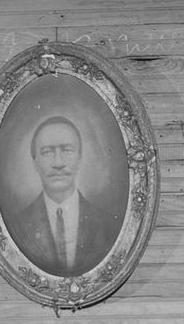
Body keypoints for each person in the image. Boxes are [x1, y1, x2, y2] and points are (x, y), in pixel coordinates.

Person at [7, 116, 121, 276]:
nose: (58, 163)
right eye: (47, 152)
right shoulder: (16, 227)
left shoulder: (109, 225)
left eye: (67, 150)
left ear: (80, 158)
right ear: (34, 163)